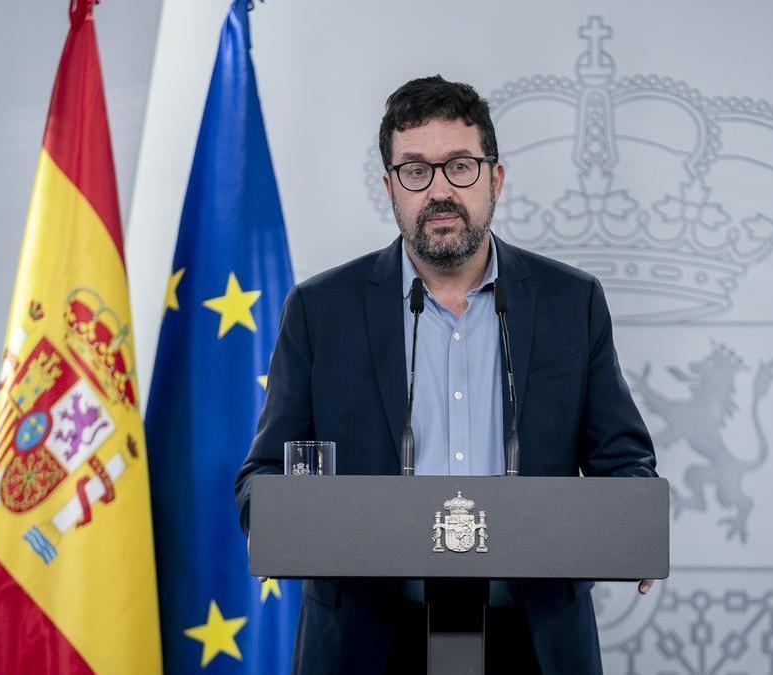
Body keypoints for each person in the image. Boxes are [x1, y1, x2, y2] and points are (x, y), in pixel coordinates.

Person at [235, 75, 657, 675]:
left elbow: (624, 458)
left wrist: (632, 524)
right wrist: (279, 524)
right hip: (368, 639)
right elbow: (265, 472)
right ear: (390, 188)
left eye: (459, 166)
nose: (439, 190)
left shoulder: (571, 301)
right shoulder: (320, 309)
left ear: (495, 179)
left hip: (532, 637)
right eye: (415, 171)